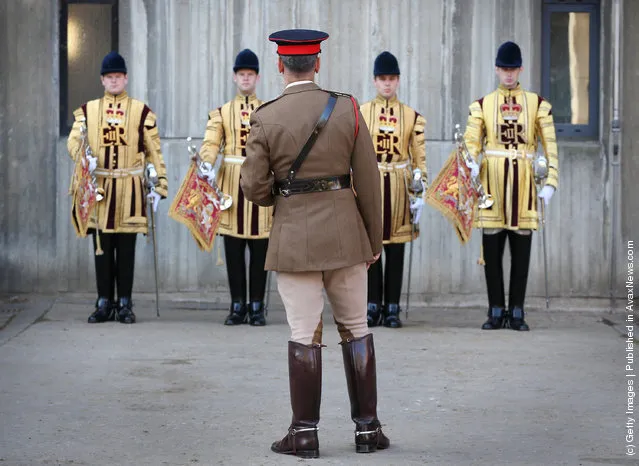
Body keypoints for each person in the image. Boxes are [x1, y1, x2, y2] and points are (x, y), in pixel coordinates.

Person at [240, 29, 390, 458]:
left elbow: (253, 187)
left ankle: (304, 434)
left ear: (279, 65)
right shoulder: (346, 108)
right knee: (357, 328)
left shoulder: (265, 116)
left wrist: (281, 197)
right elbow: (369, 179)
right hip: (347, 237)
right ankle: (368, 431)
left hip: (295, 239)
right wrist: (372, 240)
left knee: (304, 334)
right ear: (318, 63)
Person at [463, 41, 559, 331]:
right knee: (491, 252)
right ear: (496, 69)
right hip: (491, 186)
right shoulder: (482, 104)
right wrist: (468, 161)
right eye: (504, 68)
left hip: (525, 185)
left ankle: (517, 310)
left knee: (521, 251)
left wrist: (551, 179)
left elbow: (550, 144)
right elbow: (471, 141)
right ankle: (495, 310)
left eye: (513, 68)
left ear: (520, 69)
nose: (508, 74)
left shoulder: (538, 104)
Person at [67, 51, 168, 324]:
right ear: (102, 80)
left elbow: (154, 150)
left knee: (126, 248)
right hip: (98, 186)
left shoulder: (141, 111)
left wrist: (159, 184)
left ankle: (124, 301)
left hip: (130, 188)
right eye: (109, 77)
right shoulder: (87, 110)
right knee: (101, 246)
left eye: (118, 76)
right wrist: (82, 155)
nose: (114, 81)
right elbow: (74, 141)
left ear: (125, 78)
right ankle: (103, 301)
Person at [199, 49, 272, 326]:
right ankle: (237, 304)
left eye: (250, 74)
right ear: (234, 77)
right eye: (241, 74)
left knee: (260, 249)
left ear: (257, 77)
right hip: (230, 183)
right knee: (232, 248)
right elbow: (210, 143)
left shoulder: (268, 109)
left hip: (260, 181)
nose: (245, 78)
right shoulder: (221, 112)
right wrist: (206, 162)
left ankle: (257, 305)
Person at [360, 51, 427, 328]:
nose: (387, 84)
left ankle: (393, 308)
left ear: (398, 81)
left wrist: (420, 191)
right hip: (372, 183)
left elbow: (419, 157)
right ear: (375, 81)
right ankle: (372, 305)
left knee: (397, 248)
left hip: (399, 183)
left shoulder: (412, 116)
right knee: (372, 248)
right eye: (382, 79)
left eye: (392, 79)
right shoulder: (362, 112)